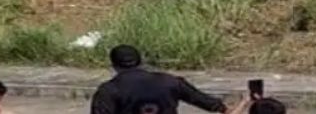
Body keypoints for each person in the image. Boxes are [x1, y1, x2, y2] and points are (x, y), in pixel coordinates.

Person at [90, 45, 228, 114]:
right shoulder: (170, 81)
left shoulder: (108, 90)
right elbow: (207, 102)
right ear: (140, 61)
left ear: (113, 65)